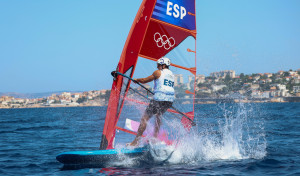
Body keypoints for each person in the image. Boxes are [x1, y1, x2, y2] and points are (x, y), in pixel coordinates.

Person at [129, 57, 175, 147]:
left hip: (159, 99)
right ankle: (155, 138)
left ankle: (135, 141)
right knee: (158, 117)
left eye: (158, 65)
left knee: (144, 119)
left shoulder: (158, 72)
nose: (157, 66)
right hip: (169, 101)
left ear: (163, 65)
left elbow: (145, 80)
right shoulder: (172, 75)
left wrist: (136, 80)